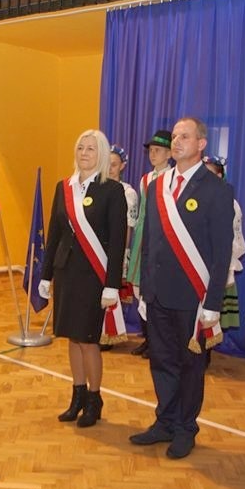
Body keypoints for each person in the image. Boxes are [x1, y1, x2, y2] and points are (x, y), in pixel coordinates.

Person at [130, 117, 234, 460]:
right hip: (158, 293)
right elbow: (149, 241)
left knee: (190, 365)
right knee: (161, 361)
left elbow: (222, 252)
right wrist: (144, 287)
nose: (176, 142)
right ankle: (165, 421)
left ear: (201, 144)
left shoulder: (216, 189)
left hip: (193, 296)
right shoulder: (158, 185)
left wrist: (213, 303)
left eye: (184, 136)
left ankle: (186, 428)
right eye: (175, 136)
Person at [38, 129, 127, 428]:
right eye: (80, 147)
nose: (84, 153)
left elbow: (117, 242)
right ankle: (76, 396)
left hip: (94, 276)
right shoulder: (63, 188)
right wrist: (46, 275)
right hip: (66, 273)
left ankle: (93, 399)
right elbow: (54, 235)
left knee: (88, 340)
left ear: (101, 154)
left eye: (91, 148)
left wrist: (112, 284)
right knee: (71, 337)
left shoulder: (112, 191)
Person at [126, 129, 173, 358]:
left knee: (156, 292)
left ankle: (159, 342)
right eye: (151, 151)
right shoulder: (145, 179)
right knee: (140, 289)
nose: (153, 155)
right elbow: (140, 214)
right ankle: (147, 338)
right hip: (142, 239)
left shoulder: (172, 178)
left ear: (169, 154)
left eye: (158, 151)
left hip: (160, 241)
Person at [100, 144, 138, 351]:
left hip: (115, 249)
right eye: (107, 164)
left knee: (111, 290)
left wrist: (120, 253)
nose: (109, 168)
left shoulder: (128, 193)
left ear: (122, 166)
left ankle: (110, 334)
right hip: (97, 248)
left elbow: (127, 227)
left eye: (114, 164)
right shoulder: (97, 186)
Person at [204, 155, 245, 329]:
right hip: (198, 264)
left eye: (210, 174)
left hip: (217, 266)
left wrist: (226, 265)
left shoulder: (230, 203)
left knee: (211, 318)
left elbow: (234, 237)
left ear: (219, 176)